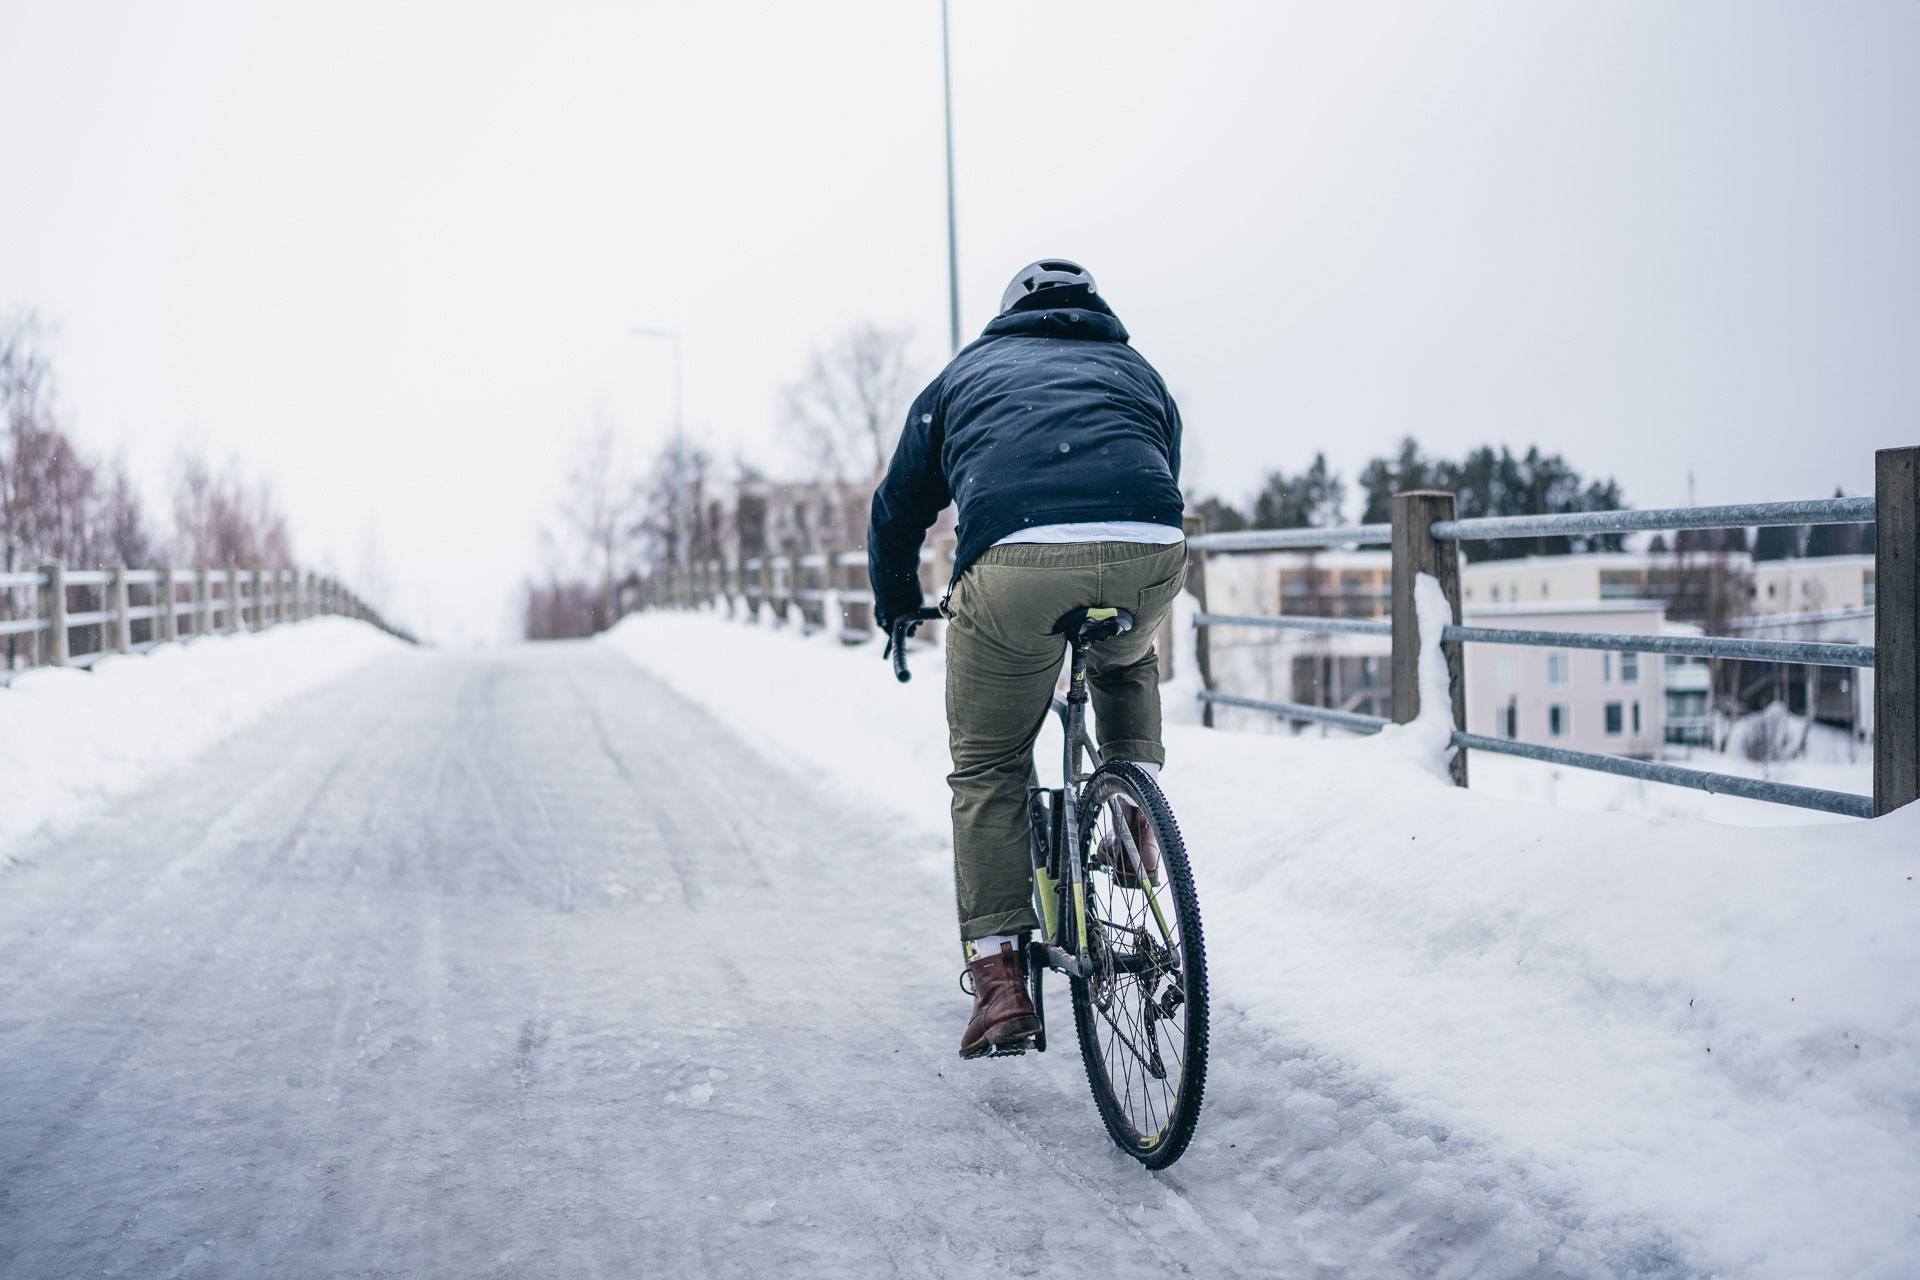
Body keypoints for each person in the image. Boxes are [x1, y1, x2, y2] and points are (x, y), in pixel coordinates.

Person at [868, 258, 1188, 1059]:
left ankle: (1001, 979)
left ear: (1009, 313)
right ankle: (1134, 810)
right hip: (1148, 549)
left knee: (989, 765)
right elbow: (1162, 461)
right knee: (1124, 656)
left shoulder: (965, 374)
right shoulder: (1135, 367)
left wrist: (898, 601)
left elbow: (897, 507)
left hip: (1015, 562)